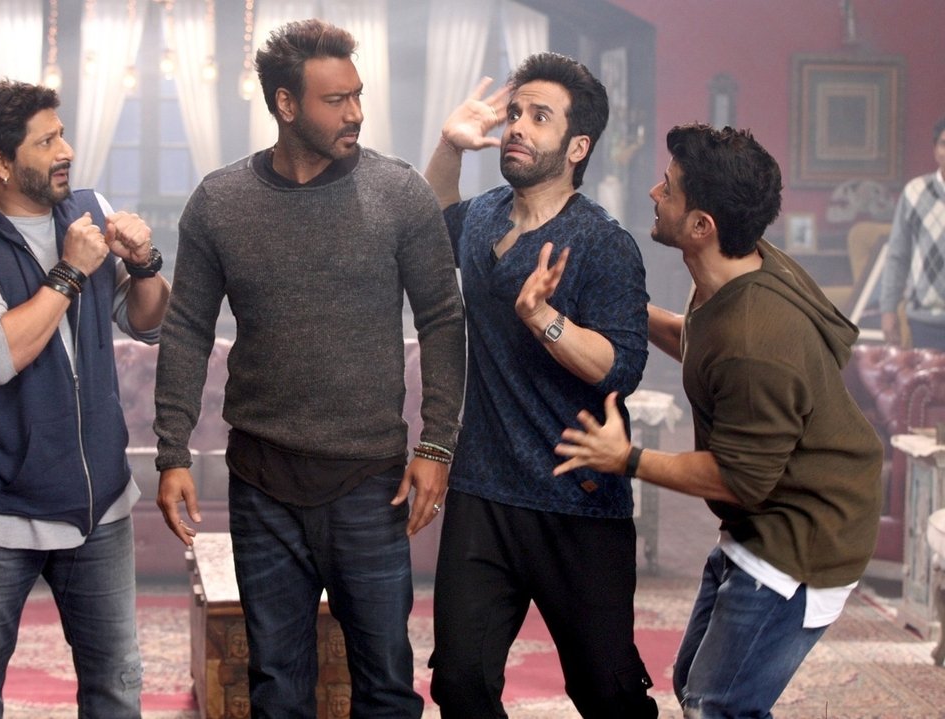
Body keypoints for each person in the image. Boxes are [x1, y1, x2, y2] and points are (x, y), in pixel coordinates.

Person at [153, 18, 465, 718]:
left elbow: (444, 319)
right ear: (286, 104)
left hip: (370, 482)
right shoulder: (220, 202)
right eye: (335, 100)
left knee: (386, 685)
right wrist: (172, 451)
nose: (355, 113)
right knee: (276, 686)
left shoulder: (398, 192)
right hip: (261, 481)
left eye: (357, 95)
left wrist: (437, 444)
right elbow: (187, 328)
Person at [556, 123, 883, 717]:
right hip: (763, 518)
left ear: (702, 225)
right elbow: (704, 345)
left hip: (803, 537)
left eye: (669, 187)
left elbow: (739, 478)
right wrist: (623, 309)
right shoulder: (738, 271)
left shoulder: (755, 340)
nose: (655, 193)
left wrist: (625, 458)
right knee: (694, 683)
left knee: (717, 705)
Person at [0, 79, 169, 718]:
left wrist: (144, 264)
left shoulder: (85, 210)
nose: (67, 150)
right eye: (47, 141)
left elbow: (147, 323)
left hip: (98, 504)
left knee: (117, 689)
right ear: (0, 162)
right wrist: (70, 270)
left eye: (62, 134)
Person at [422, 54, 656, 718]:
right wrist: (449, 145)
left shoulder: (603, 242)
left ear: (577, 147)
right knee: (459, 683)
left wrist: (544, 319)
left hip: (576, 498)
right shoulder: (484, 218)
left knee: (607, 693)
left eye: (540, 117)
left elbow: (621, 366)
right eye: (516, 113)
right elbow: (432, 221)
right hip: (483, 490)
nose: (518, 126)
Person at [880, 115, 945, 348]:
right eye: (944, 144)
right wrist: (888, 309)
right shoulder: (914, 193)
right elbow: (898, 255)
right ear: (935, 150)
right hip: (924, 321)